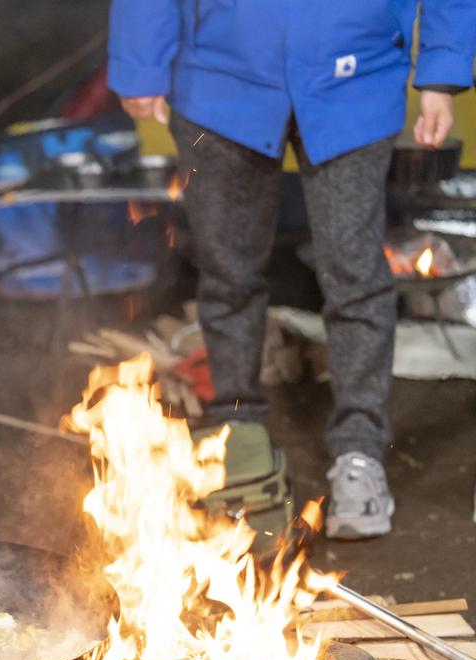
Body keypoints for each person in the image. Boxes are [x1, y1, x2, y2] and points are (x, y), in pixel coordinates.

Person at [107, 0, 476, 539]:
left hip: (356, 79)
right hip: (220, 79)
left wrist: (441, 74)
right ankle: (237, 439)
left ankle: (359, 455)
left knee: (355, 277)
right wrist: (141, 62)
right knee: (228, 272)